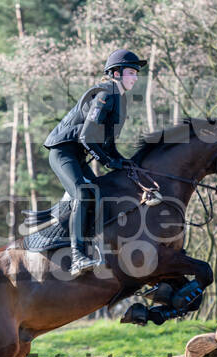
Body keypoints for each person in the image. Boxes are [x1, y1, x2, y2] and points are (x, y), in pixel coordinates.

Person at [44, 49, 147, 277]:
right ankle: (77, 256)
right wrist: (108, 161)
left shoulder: (119, 99)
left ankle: (94, 245)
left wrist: (124, 163)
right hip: (63, 152)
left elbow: (107, 143)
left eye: (136, 73)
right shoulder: (106, 92)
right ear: (116, 73)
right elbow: (86, 137)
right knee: (84, 193)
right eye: (131, 72)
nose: (135, 77)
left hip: (77, 155)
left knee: (98, 193)